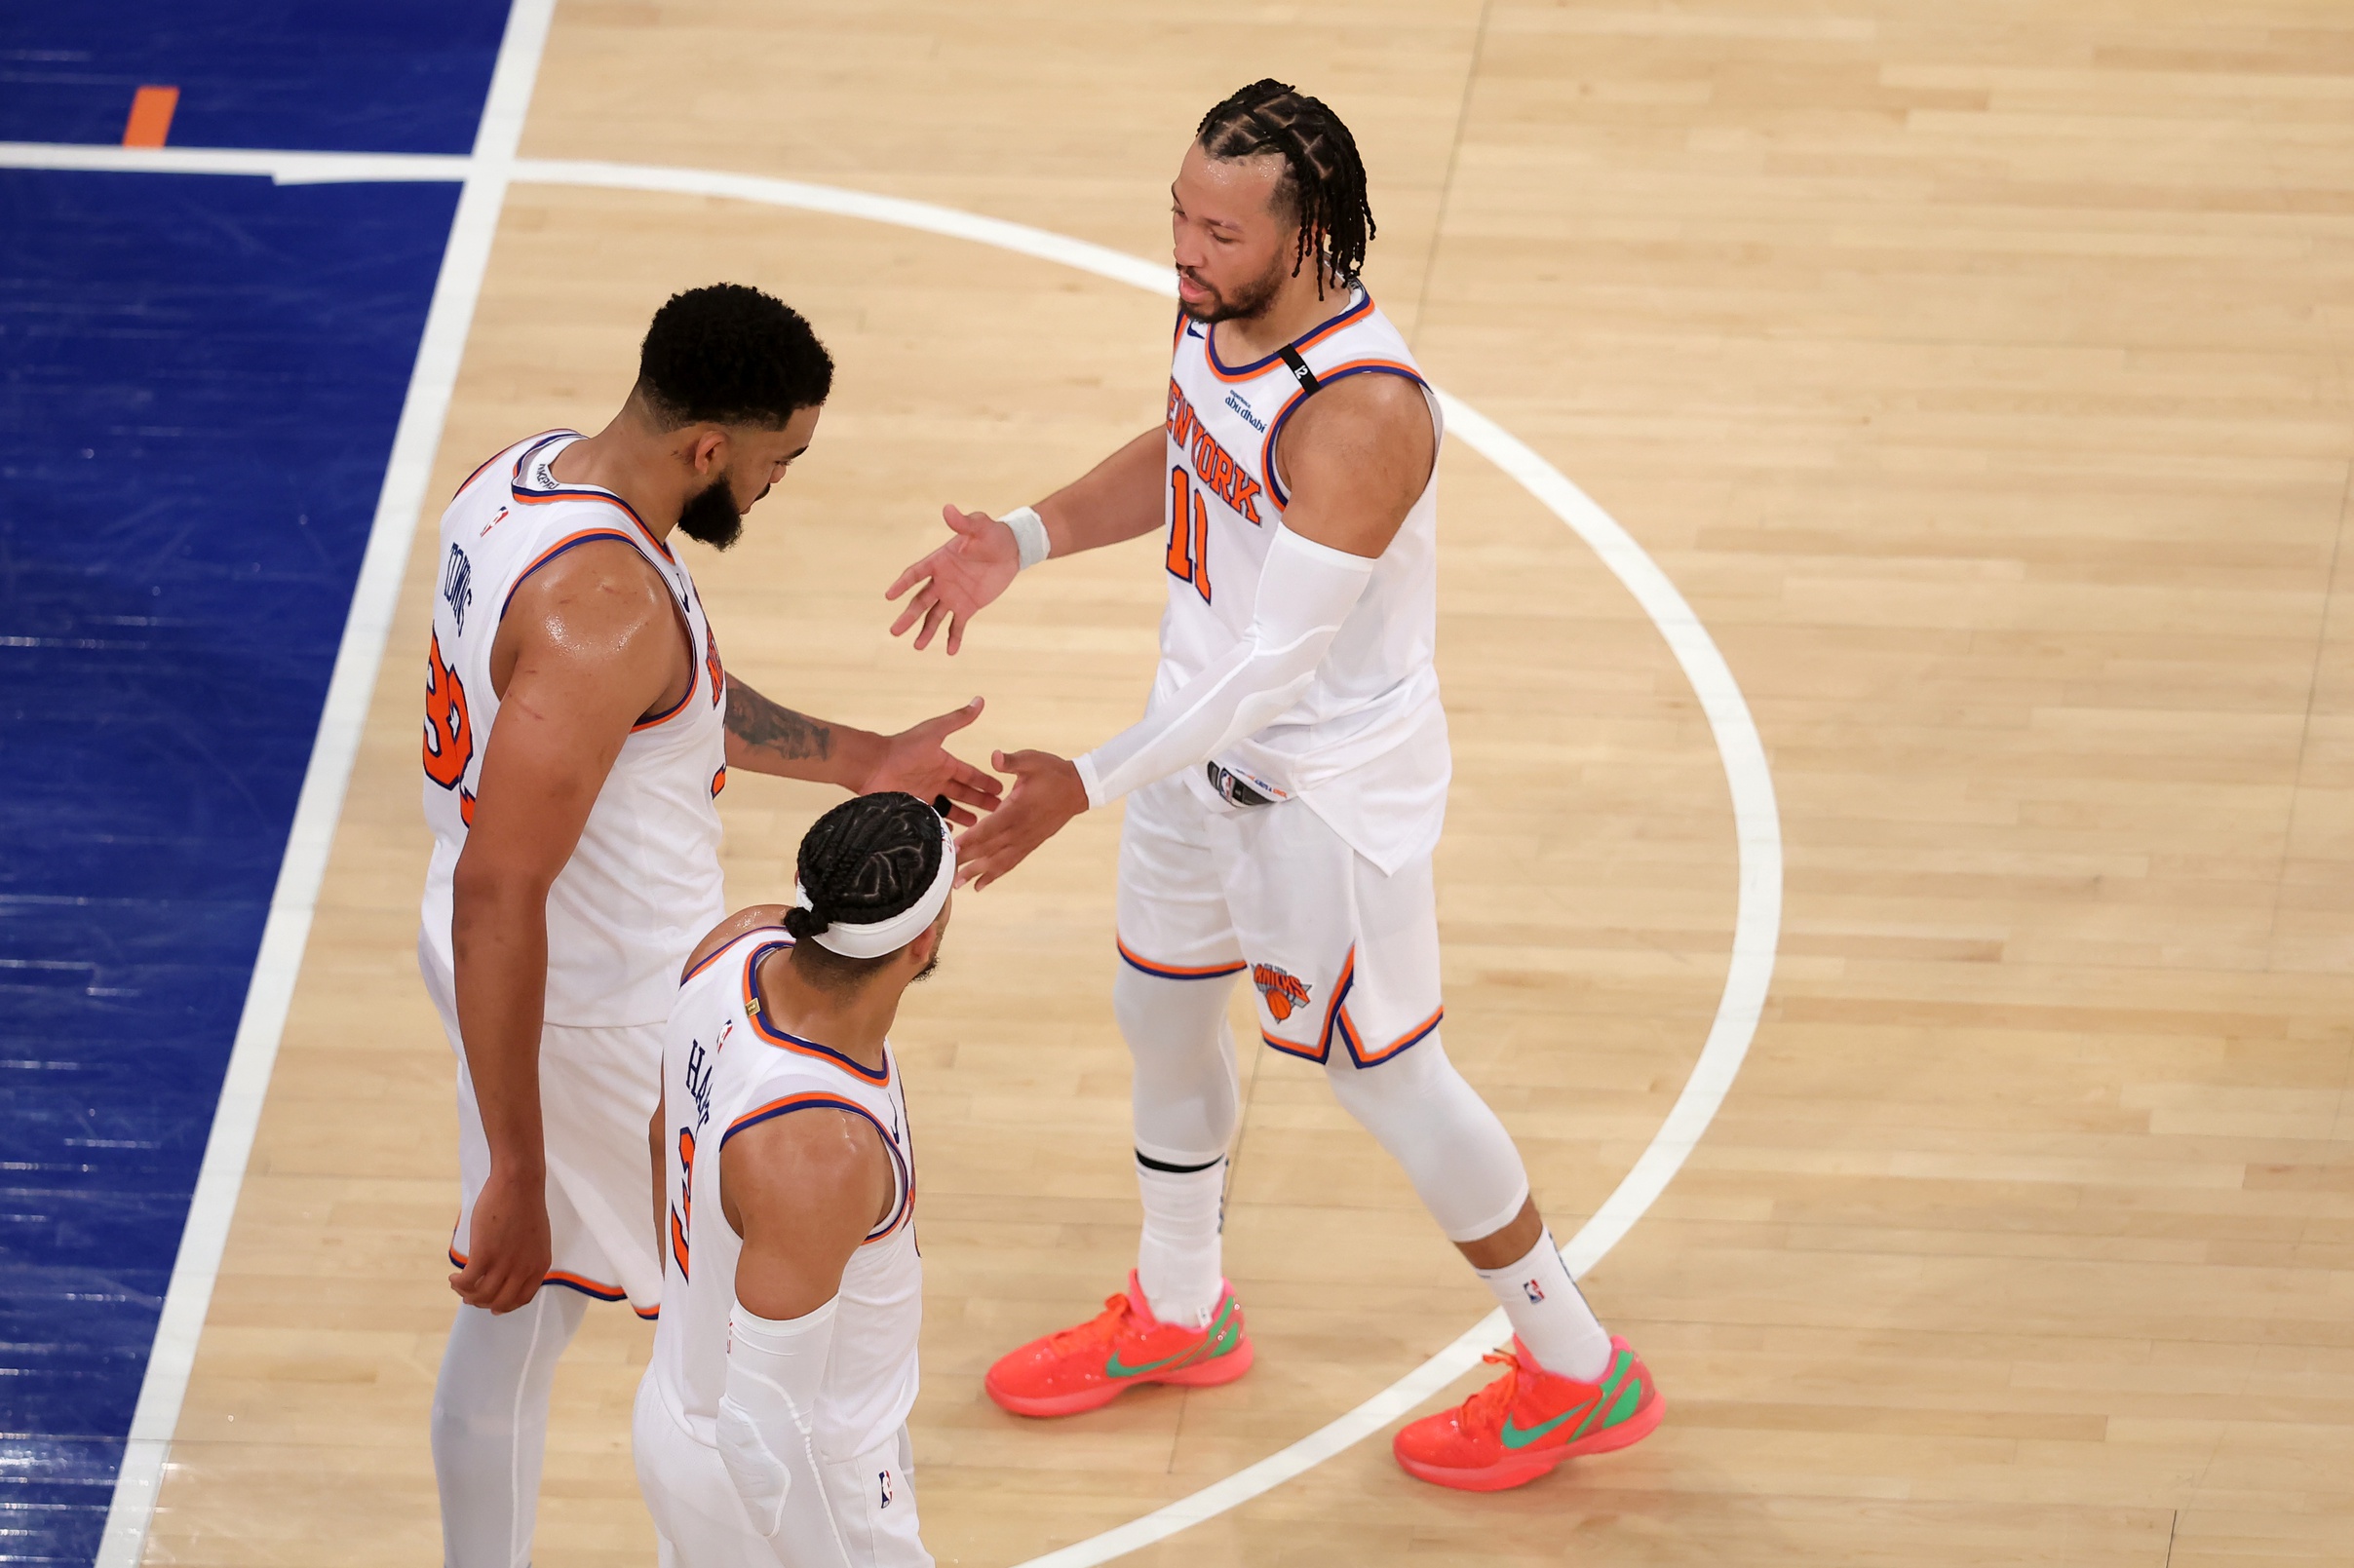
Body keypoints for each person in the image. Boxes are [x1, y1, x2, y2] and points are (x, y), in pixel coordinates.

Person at [882, 81, 1661, 1492]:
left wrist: (1087, 782)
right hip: (1194, 765)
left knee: (1396, 1084)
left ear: (1302, 241)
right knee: (1158, 1013)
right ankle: (1181, 1310)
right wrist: (1023, 537)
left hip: (1314, 800)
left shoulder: (1361, 413)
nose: (1182, 248)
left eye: (1216, 228)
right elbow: (1185, 444)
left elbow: (1269, 670)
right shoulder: (1214, 315)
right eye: (1178, 213)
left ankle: (1572, 1362)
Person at [420, 285, 996, 1566]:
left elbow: (658, 700)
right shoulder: (607, 606)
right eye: (776, 460)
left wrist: (859, 754)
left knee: (521, 1315)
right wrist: (517, 1164)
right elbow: (501, 890)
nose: (777, 482)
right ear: (706, 450)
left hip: (541, 963)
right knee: (736, 1364)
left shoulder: (518, 479)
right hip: (588, 994)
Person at [635, 791, 944, 1566]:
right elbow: (760, 1428)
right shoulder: (823, 1146)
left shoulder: (734, 943)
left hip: (677, 1407)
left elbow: (659, 1129)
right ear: (921, 942)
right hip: (788, 1486)